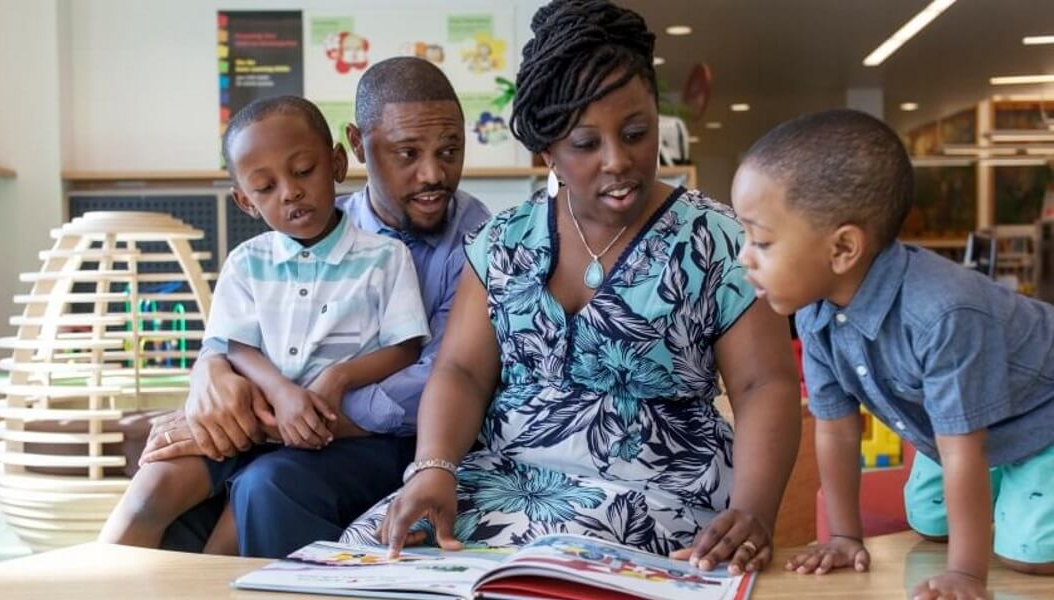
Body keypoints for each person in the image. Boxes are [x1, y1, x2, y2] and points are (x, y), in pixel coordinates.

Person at [341, 0, 801, 577]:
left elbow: (765, 384)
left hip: (660, 489)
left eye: (637, 133)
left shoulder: (718, 239)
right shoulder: (501, 242)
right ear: (547, 148)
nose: (618, 161)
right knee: (369, 554)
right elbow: (460, 370)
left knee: (550, 568)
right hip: (503, 480)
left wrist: (754, 511)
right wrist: (435, 467)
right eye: (586, 144)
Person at [138, 57, 491, 558]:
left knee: (266, 484)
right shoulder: (311, 224)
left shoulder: (482, 244)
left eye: (450, 150)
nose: (432, 173)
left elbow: (437, 375)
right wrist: (209, 374)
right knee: (170, 482)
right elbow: (237, 336)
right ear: (357, 146)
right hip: (282, 420)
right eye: (407, 153)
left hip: (390, 444)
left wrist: (276, 420)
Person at [731, 109, 1054, 600]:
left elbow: (963, 451)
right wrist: (842, 536)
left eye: (762, 241)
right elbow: (837, 431)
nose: (744, 258)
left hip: (1041, 415)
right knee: (927, 519)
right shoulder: (817, 316)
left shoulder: (944, 314)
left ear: (842, 248)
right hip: (967, 433)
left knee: (1028, 554)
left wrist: (966, 574)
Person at [98, 95, 431, 554]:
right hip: (254, 425)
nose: (290, 192)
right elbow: (236, 347)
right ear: (245, 201)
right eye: (265, 186)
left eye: (302, 171)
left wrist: (338, 378)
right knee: (148, 491)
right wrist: (280, 392)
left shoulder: (384, 257)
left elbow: (406, 347)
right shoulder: (246, 263)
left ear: (336, 163)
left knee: (239, 521)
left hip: (340, 441)